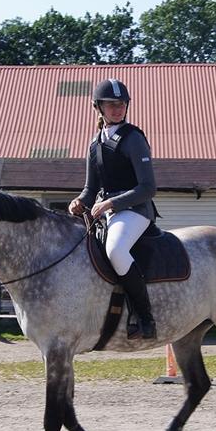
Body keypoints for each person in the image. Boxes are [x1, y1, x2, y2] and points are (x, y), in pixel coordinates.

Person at [68, 78, 158, 339]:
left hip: (136, 210)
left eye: (121, 104)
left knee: (116, 250)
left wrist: (111, 203)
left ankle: (145, 316)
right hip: (107, 213)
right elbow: (89, 189)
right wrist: (79, 202)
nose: (117, 109)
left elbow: (148, 187)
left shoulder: (133, 139)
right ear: (99, 108)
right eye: (111, 105)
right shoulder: (94, 144)